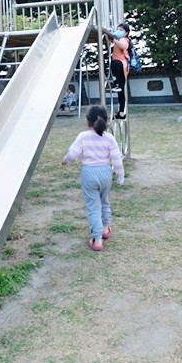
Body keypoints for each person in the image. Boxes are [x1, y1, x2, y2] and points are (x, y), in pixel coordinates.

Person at [61, 104, 124, 252]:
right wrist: (120, 177)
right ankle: (105, 228)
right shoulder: (109, 138)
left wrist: (65, 160)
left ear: (87, 120)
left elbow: (73, 154)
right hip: (105, 173)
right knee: (104, 201)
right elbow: (116, 159)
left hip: (89, 174)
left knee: (93, 206)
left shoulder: (83, 136)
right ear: (107, 120)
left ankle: (97, 239)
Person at [102, 22, 131, 119]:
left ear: (126, 33)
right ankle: (121, 113)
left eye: (121, 30)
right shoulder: (118, 39)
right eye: (118, 29)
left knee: (114, 63)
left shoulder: (124, 39)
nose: (119, 32)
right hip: (121, 67)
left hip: (122, 65)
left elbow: (124, 46)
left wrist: (114, 39)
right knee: (121, 92)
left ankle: (116, 82)